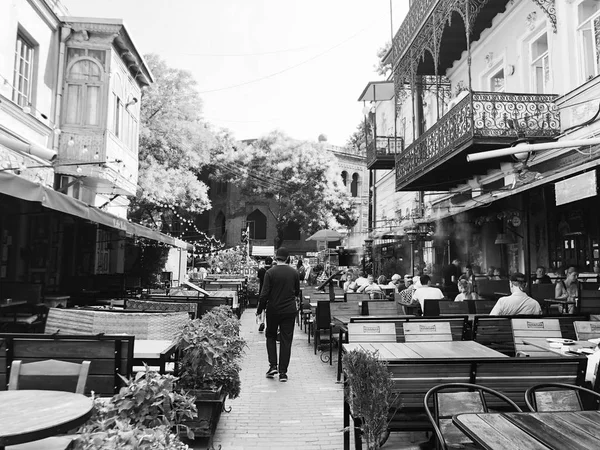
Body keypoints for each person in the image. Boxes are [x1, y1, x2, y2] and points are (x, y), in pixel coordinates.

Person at [256, 247, 299, 382]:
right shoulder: (294, 273)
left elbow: (264, 294)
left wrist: (259, 310)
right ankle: (283, 373)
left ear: (276, 257)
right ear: (287, 258)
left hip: (273, 310)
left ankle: (273, 365)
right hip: (289, 310)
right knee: (286, 340)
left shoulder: (270, 273)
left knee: (270, 336)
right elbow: (297, 292)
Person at [256, 257, 273, 332]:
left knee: (262, 307)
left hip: (262, 291)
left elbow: (258, 280)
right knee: (269, 308)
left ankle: (262, 322)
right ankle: (269, 325)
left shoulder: (261, 271)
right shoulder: (272, 271)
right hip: (271, 292)